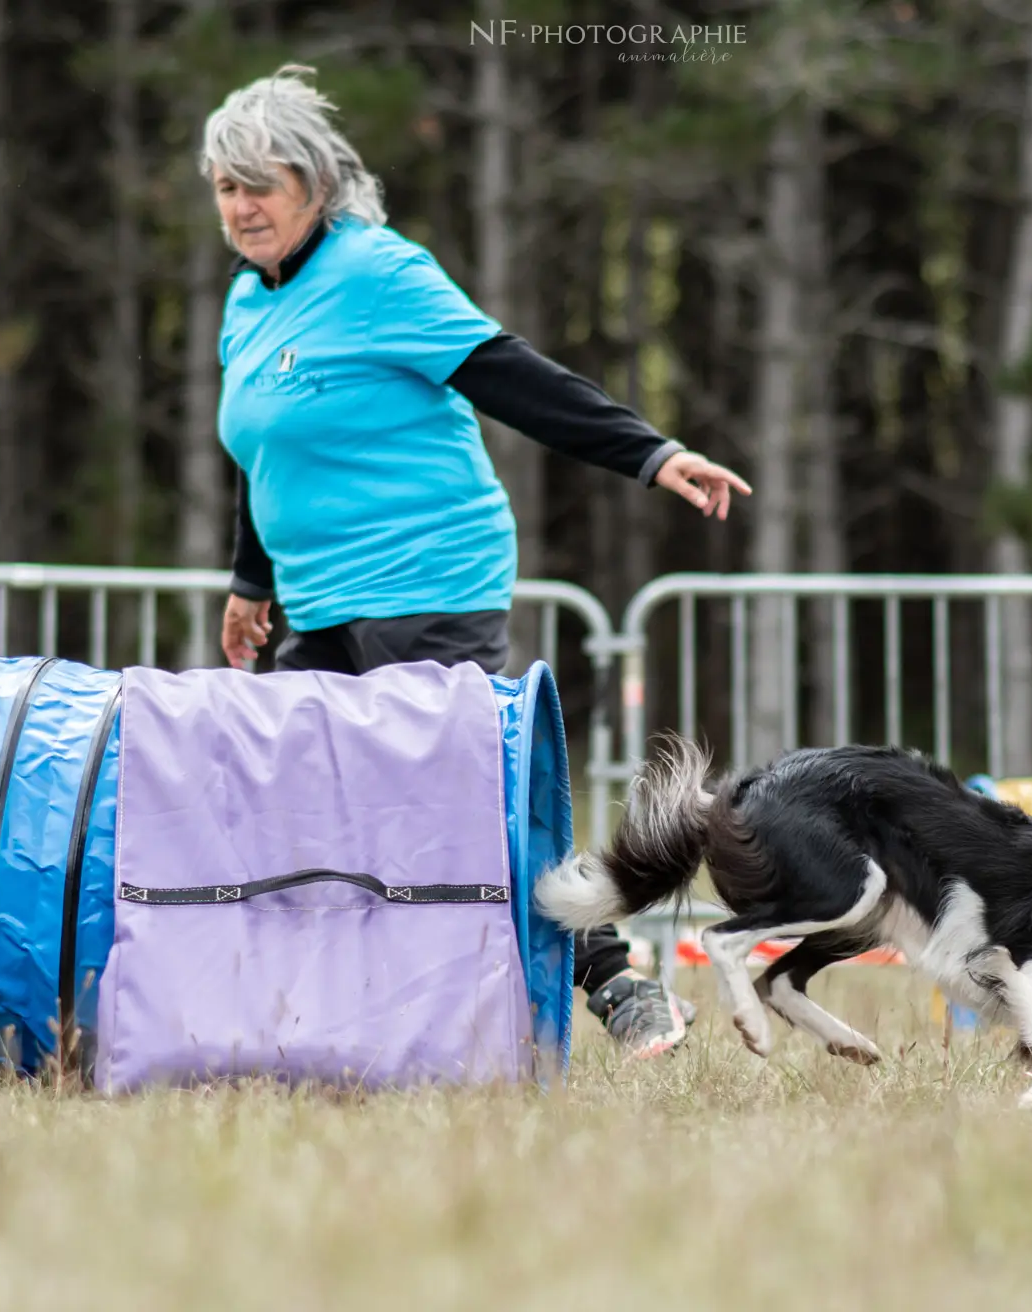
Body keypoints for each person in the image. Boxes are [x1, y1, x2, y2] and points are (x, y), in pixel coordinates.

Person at [202, 66, 752, 1060]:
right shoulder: (246, 303)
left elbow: (511, 376)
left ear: (317, 184)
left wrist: (650, 453)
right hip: (321, 600)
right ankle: (331, 1019)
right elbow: (261, 451)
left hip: (426, 579)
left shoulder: (378, 274)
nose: (241, 208)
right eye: (224, 187)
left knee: (464, 800)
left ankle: (619, 985)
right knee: (298, 798)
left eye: (260, 184)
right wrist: (251, 584)